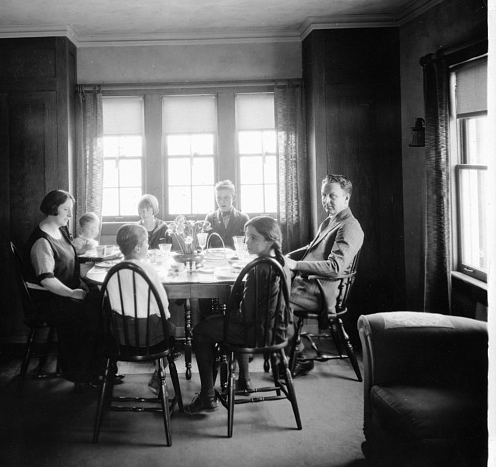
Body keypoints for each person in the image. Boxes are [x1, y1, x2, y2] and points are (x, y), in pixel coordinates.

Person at [185, 216, 291, 415]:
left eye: (253, 238)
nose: (247, 242)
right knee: (215, 323)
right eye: (246, 236)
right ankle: (244, 379)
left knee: (201, 330)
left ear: (269, 241)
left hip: (255, 334)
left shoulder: (258, 269)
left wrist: (225, 314)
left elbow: (244, 316)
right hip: (278, 331)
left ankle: (207, 396)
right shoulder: (281, 262)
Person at [284, 174, 364, 377]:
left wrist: (296, 265)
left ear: (346, 198)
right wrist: (287, 256)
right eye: (323, 195)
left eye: (332, 196)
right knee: (270, 288)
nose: (326, 201)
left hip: (323, 291)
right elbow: (312, 248)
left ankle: (298, 356)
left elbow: (335, 267)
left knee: (274, 299)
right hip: (308, 284)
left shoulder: (350, 226)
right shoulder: (330, 222)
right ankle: (282, 350)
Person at [24, 189, 104, 386]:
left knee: (101, 303)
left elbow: (71, 259)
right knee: (90, 313)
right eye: (66, 210)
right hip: (48, 300)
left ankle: (99, 369)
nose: (70, 215)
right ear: (53, 209)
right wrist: (72, 293)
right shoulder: (42, 240)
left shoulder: (60, 230)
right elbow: (46, 280)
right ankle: (81, 375)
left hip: (62, 294)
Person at [107, 224, 175, 395]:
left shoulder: (112, 272)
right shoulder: (149, 270)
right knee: (171, 331)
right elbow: (162, 304)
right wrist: (164, 317)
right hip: (148, 336)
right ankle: (158, 376)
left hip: (121, 336)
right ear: (138, 247)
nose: (147, 246)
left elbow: (113, 305)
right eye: (146, 243)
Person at [203, 180, 249, 249]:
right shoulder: (210, 217)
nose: (222, 201)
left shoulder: (243, 218)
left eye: (226, 197)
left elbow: (248, 244)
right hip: (216, 258)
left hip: (236, 259)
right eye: (219, 198)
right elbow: (204, 245)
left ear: (233, 198)